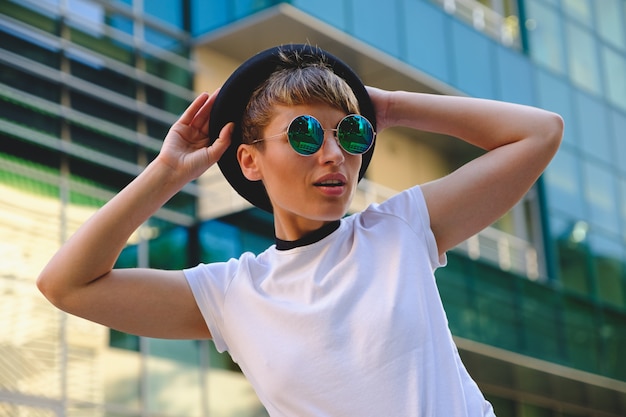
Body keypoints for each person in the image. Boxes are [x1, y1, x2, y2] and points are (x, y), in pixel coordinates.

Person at [37, 44, 563, 416]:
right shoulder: (233, 294)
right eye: (306, 133)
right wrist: (167, 174)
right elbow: (66, 284)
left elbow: (539, 133)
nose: (336, 154)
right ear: (249, 160)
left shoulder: (398, 229)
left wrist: (393, 107)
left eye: (351, 133)